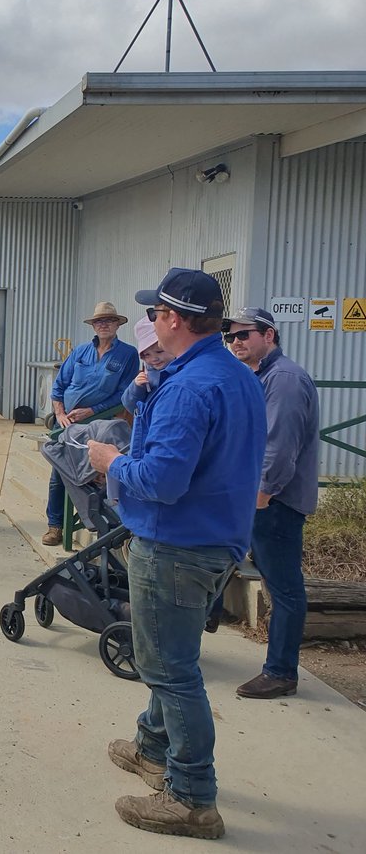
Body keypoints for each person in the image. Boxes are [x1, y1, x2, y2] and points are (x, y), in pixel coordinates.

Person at [87, 268, 265, 840]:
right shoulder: (228, 374)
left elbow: (162, 480)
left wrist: (108, 462)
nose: (151, 323)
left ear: (175, 320)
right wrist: (144, 389)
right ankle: (153, 747)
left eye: (157, 314)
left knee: (169, 668)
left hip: (177, 545)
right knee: (173, 656)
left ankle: (191, 796)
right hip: (215, 540)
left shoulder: (191, 387)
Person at [222, 306, 320, 699]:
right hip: (261, 500)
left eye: (245, 334)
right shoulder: (261, 376)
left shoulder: (284, 380)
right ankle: (209, 620)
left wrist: (261, 497)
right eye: (231, 336)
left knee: (285, 590)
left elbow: (279, 449)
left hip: (275, 503)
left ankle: (281, 672)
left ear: (270, 336)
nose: (236, 342)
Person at [43, 302, 138, 546]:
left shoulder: (127, 354)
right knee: (59, 471)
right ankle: (54, 526)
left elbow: (124, 394)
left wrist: (91, 411)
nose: (103, 324)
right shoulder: (80, 352)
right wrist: (60, 413)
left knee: (92, 476)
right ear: (93, 326)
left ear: (118, 324)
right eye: (99, 321)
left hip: (100, 425)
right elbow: (59, 386)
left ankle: (101, 523)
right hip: (66, 424)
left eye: (108, 320)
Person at [120, 315, 175, 413]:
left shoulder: (181, 369)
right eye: (146, 355)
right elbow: (130, 406)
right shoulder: (146, 375)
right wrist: (136, 387)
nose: (154, 359)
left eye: (159, 351)